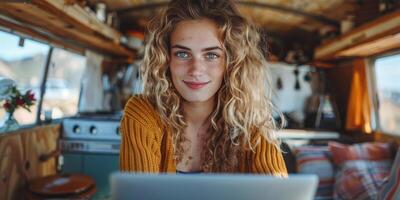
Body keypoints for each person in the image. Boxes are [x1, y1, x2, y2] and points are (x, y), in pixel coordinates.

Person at [119, 0, 287, 176]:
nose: (196, 70)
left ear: (232, 62)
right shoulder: (144, 114)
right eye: (182, 54)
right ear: (166, 60)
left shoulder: (252, 123)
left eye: (211, 55)